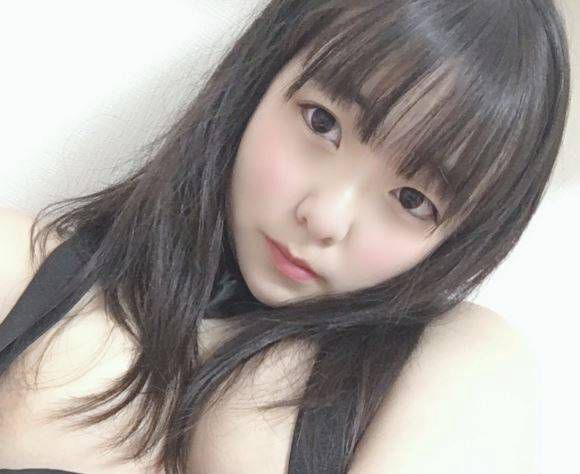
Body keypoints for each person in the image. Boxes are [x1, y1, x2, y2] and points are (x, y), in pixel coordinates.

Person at [0, 0, 570, 473]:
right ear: (259, 78)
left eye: (413, 200)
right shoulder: (18, 269)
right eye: (323, 122)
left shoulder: (460, 362)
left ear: (461, 240)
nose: (324, 219)